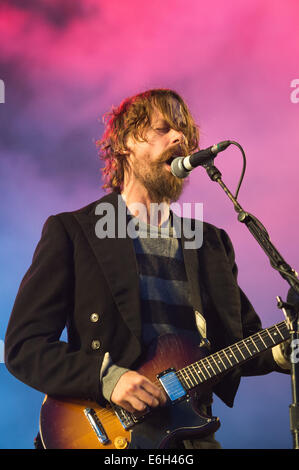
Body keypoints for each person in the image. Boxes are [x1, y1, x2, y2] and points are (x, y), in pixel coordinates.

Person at [5, 89, 290, 449]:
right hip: (110, 435)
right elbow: (23, 346)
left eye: (185, 132)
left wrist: (284, 351)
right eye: (164, 129)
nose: (180, 139)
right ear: (125, 142)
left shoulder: (209, 243)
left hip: (190, 438)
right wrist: (107, 379)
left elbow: (240, 342)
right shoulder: (75, 232)